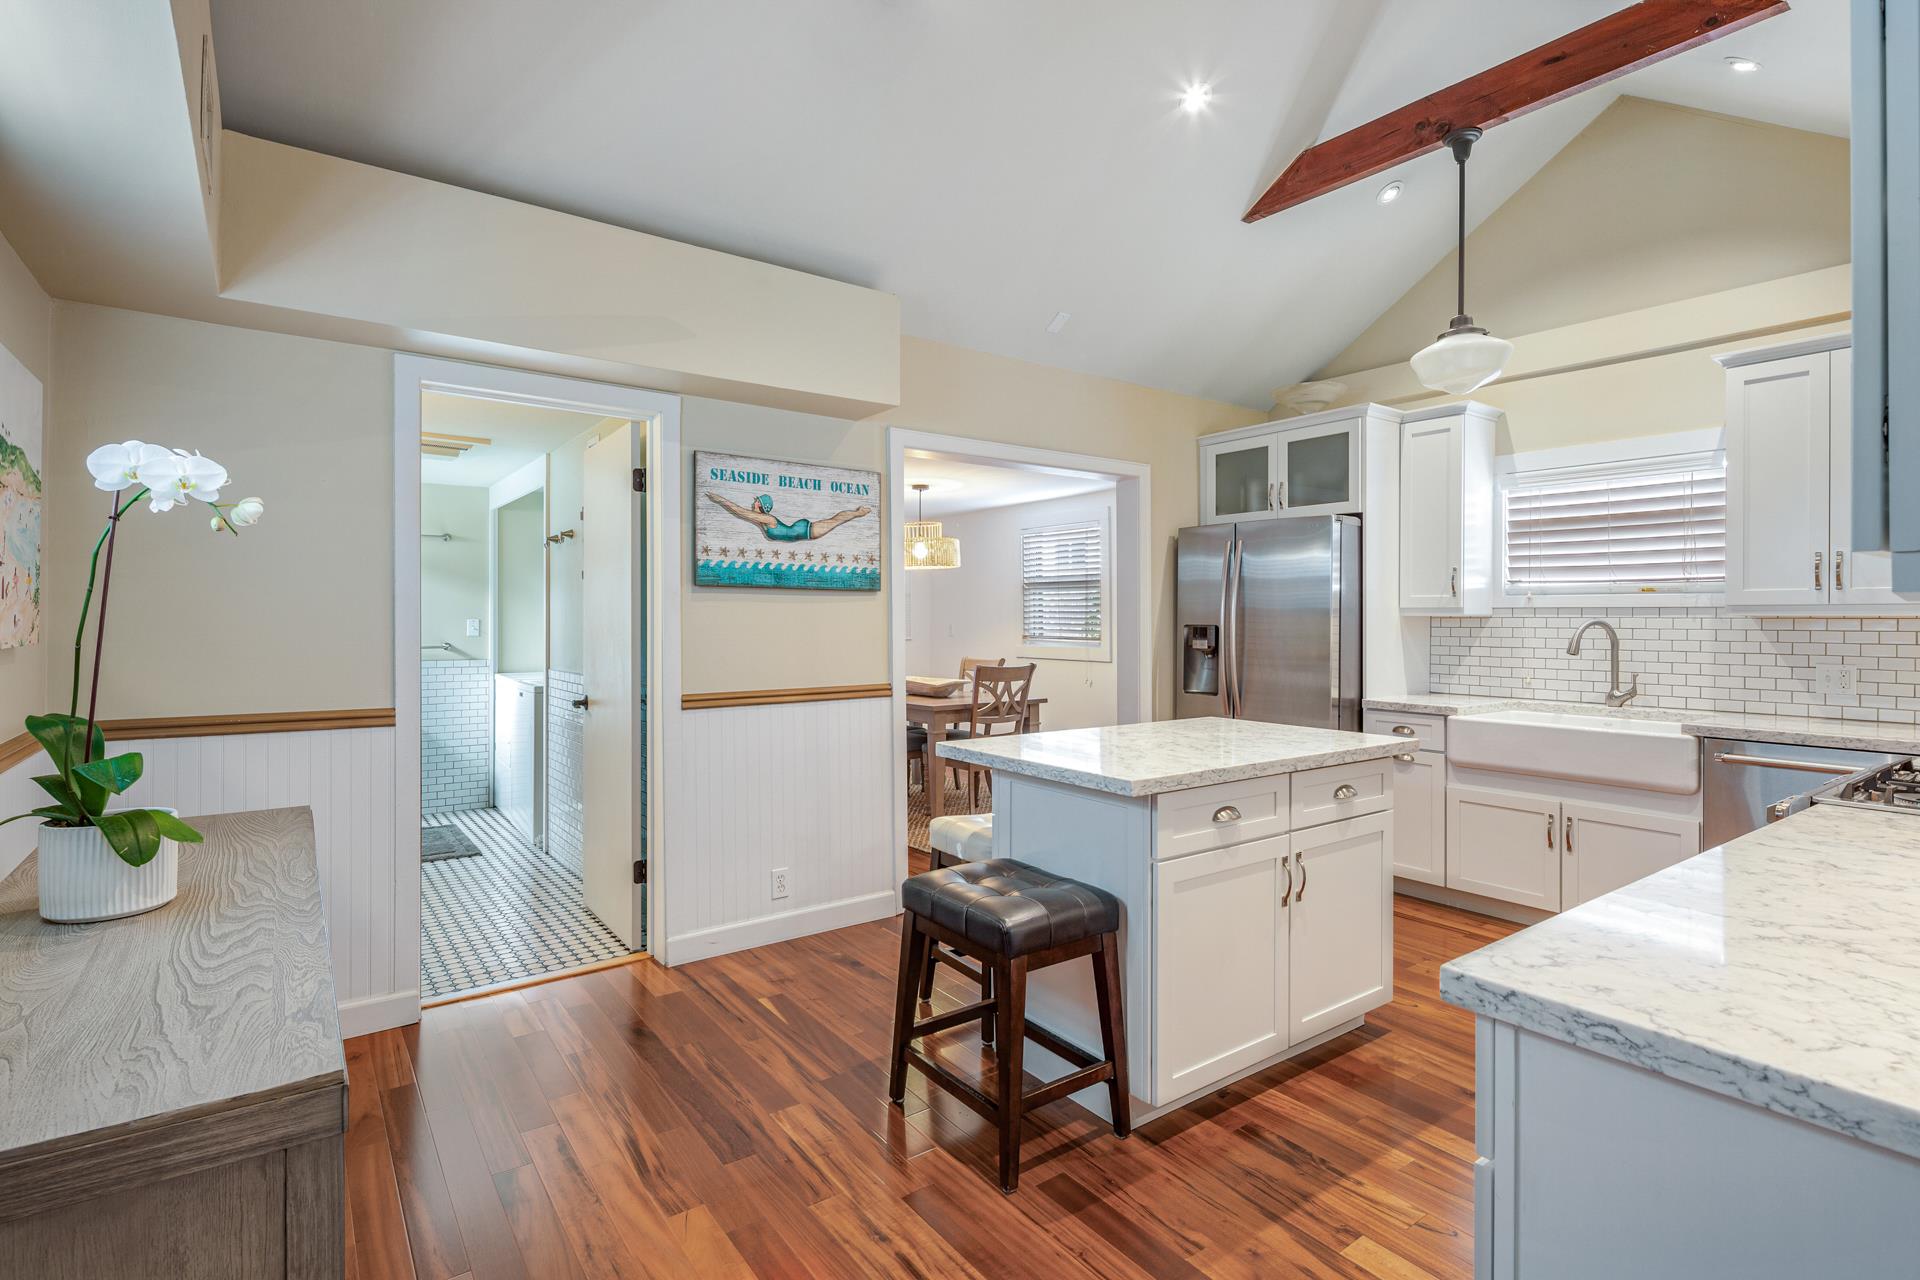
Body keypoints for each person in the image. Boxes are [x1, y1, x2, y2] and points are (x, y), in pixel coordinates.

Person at [707, 492, 871, 543]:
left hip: (806, 530)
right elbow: (741, 513)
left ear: (760, 504)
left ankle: (858, 512)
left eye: (756, 501)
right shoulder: (760, 521)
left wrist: (721, 500)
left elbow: (741, 511)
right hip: (799, 530)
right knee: (834, 520)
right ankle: (857, 512)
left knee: (835, 520)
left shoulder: (768, 519)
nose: (753, 502)